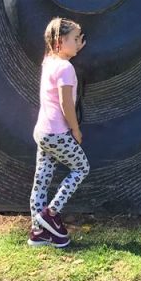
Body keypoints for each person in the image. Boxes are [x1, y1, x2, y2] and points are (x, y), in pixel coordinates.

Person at [28, 17, 90, 247]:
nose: (78, 43)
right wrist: (75, 130)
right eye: (75, 39)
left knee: (41, 181)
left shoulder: (50, 62)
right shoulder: (65, 68)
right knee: (81, 168)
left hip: (42, 132)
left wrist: (72, 49)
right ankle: (50, 214)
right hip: (58, 133)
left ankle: (38, 232)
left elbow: (61, 53)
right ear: (60, 41)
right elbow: (66, 104)